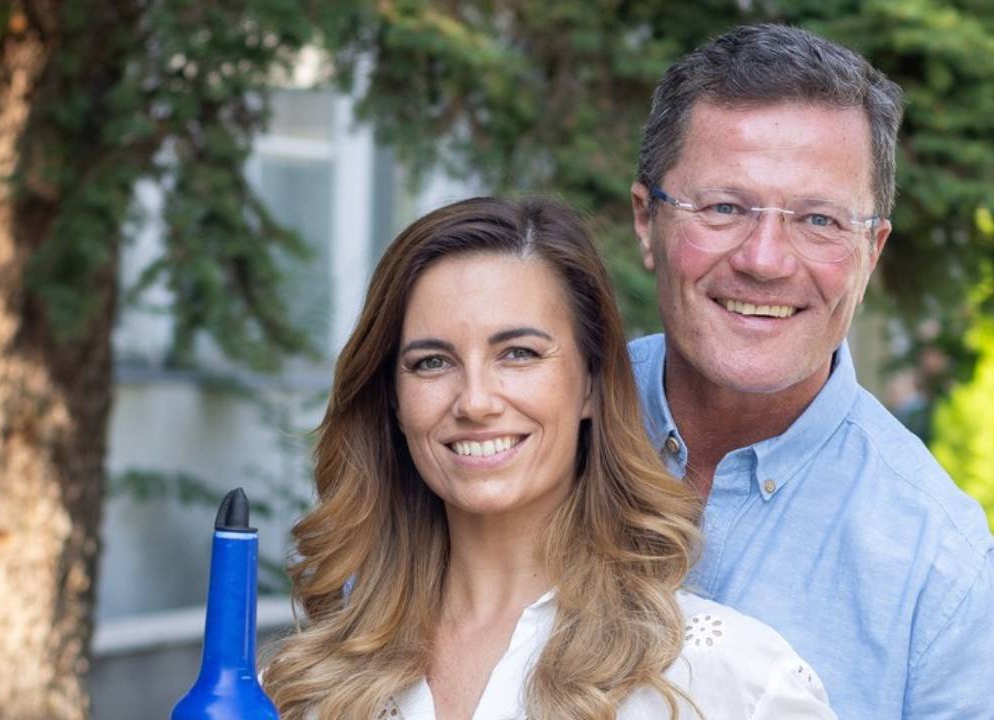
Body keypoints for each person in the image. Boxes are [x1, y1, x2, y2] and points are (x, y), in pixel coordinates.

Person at [262, 196, 835, 719]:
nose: (475, 402)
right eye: (432, 362)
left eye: (518, 353)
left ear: (591, 383)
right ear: (393, 398)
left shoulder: (727, 682)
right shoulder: (301, 686)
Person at [627, 23, 994, 719]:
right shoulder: (538, 430)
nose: (765, 260)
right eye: (725, 207)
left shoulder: (943, 580)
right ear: (647, 220)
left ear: (871, 252)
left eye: (819, 220)